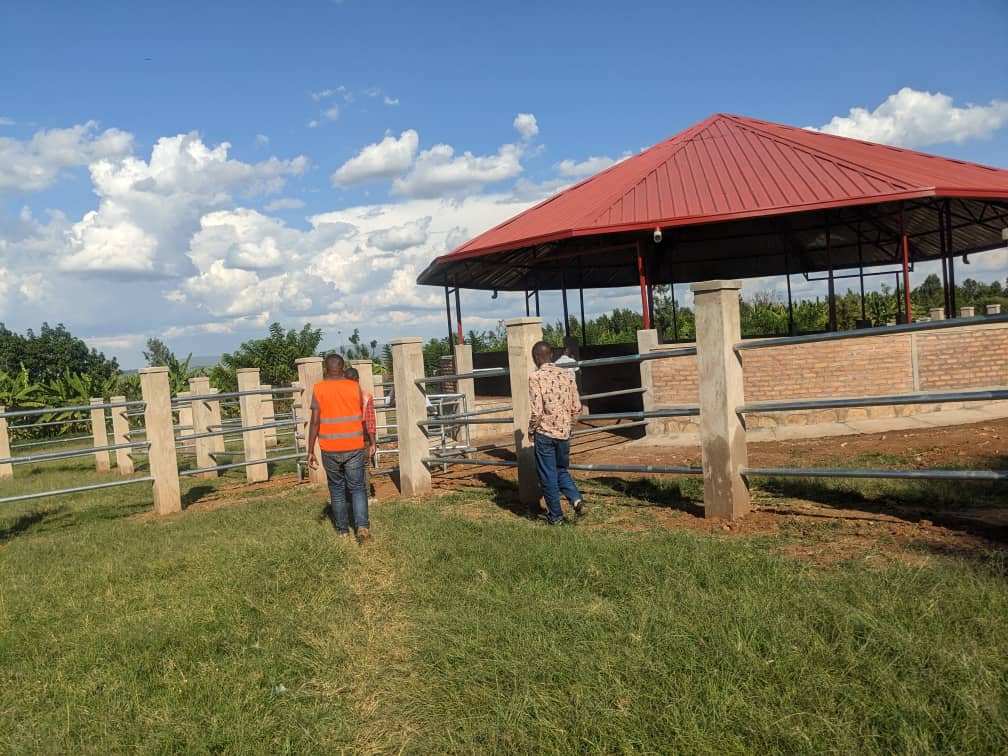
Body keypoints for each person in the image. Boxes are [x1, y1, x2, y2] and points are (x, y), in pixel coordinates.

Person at [307, 354, 376, 542]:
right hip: (354, 446)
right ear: (343, 368)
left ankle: (342, 531)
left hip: (330, 447)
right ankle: (362, 527)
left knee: (337, 489)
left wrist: (310, 450)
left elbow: (315, 421)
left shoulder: (318, 389)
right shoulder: (354, 387)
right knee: (358, 487)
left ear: (325, 369)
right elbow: (360, 413)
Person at [528, 340, 585, 525]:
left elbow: (537, 411)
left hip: (545, 433)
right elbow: (577, 407)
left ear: (536, 357)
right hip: (564, 433)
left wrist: (531, 430)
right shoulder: (567, 374)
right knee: (561, 470)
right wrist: (569, 426)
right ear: (551, 355)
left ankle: (556, 517)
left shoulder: (536, 377)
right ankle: (576, 499)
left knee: (548, 476)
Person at [343, 366, 377, 502]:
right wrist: (373, 443)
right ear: (357, 379)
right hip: (362, 437)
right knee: (364, 467)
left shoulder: (339, 397)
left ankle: (348, 499)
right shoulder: (366, 397)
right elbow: (370, 422)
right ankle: (367, 497)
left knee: (346, 468)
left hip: (344, 438)